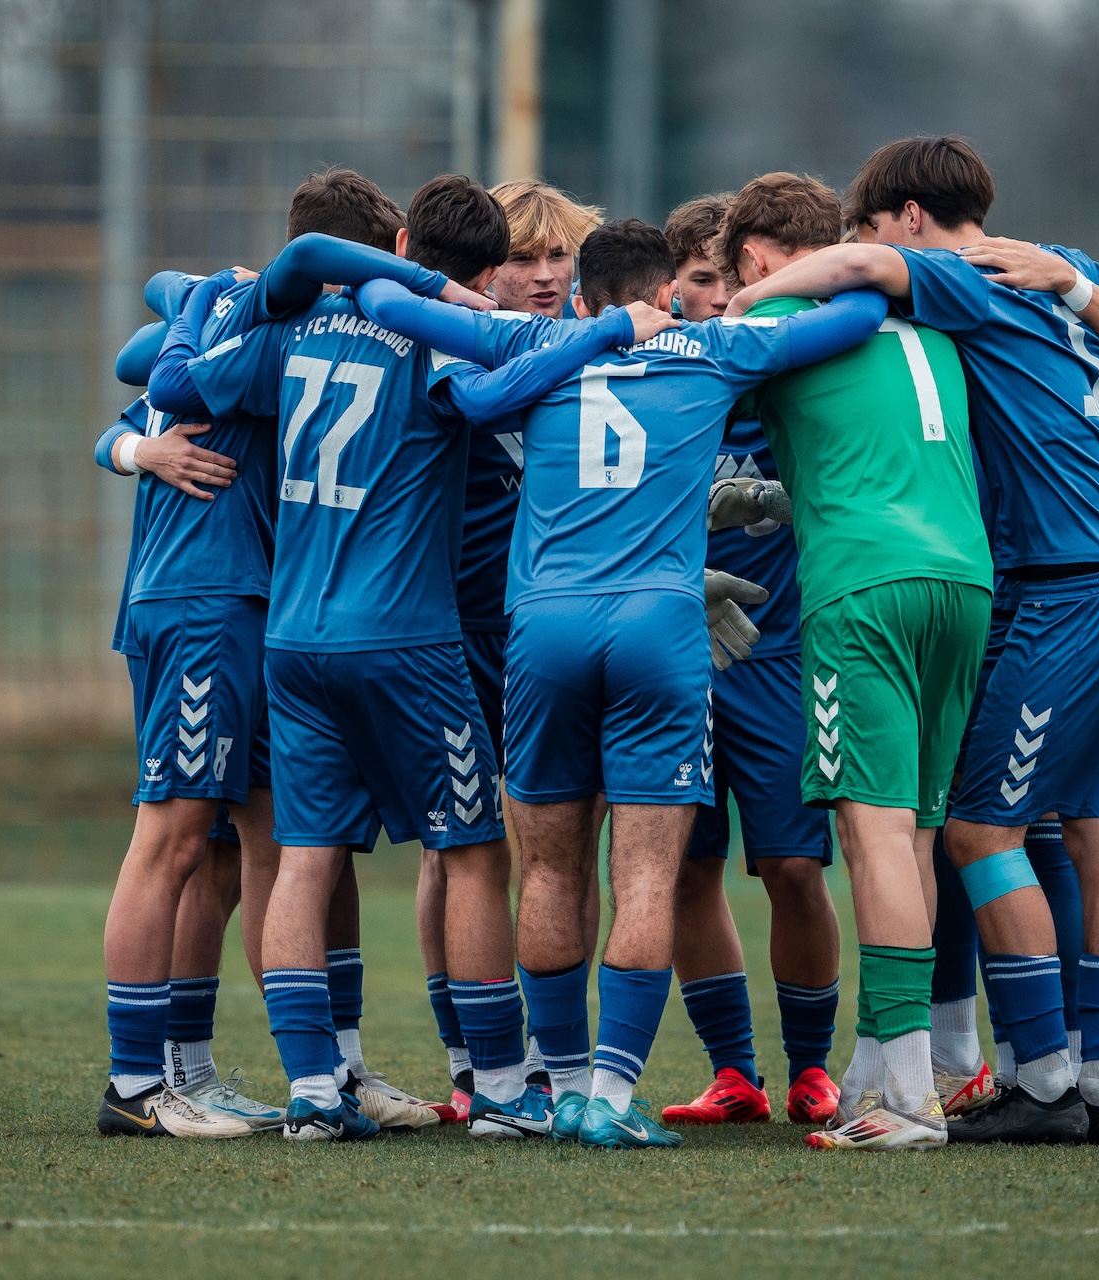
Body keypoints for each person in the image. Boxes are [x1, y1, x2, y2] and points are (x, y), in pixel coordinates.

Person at [153, 171, 676, 1143]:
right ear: (451, 268)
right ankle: (505, 1089)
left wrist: (196, 309)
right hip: (407, 641)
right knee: (475, 851)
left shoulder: (289, 329)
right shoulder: (433, 338)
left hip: (294, 640)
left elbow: (173, 381)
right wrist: (600, 335)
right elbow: (499, 391)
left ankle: (314, 1087)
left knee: (304, 858)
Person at [357, 216, 887, 1149]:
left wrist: (472, 303)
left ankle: (558, 1086)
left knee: (551, 867)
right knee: (646, 873)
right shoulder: (712, 346)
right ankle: (608, 1094)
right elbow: (857, 315)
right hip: (658, 629)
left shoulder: (535, 339)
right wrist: (758, 298)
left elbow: (384, 299)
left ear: (585, 294)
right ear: (667, 293)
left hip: (544, 629)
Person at [726, 135, 1099, 1147]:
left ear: (910, 217)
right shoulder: (1046, 263)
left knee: (975, 830)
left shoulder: (953, 274)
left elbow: (856, 269)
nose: (866, 241)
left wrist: (740, 304)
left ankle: (1044, 1084)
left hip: (1069, 579)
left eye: (873, 222)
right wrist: (1072, 277)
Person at [699, 172, 992, 1151]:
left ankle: (907, 1095)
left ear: (752, 260)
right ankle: (880, 1061)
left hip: (863, 589)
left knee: (870, 837)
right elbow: (868, 451)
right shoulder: (931, 321)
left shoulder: (777, 327)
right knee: (912, 835)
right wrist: (774, 500)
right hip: (963, 582)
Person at [416, 179, 608, 1119]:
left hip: (566, 626)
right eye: (522, 258)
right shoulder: (453, 337)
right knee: (456, 846)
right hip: (461, 622)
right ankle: (470, 1055)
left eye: (558, 256)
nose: (541, 275)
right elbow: (480, 409)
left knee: (571, 842)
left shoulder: (601, 344)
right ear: (486, 268)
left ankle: (555, 1056)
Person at [654, 194, 843, 1131]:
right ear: (671, 289)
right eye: (701, 280)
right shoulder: (651, 382)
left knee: (793, 869)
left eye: (734, 279)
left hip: (778, 656)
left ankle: (812, 1069)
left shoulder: (803, 374)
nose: (722, 297)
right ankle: (734, 1073)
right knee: (682, 868)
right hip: (674, 659)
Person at [89, 283, 280, 1140]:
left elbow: (140, 375)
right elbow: (135, 383)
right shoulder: (253, 334)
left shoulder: (254, 338)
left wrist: (132, 445)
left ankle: (188, 1073)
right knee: (170, 838)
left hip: (244, 609)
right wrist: (140, 449)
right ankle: (135, 1086)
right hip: (200, 609)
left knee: (223, 858)